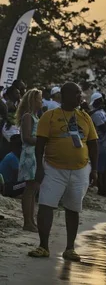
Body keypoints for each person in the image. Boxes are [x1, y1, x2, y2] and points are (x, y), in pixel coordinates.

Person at [28, 83, 98, 261]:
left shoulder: (85, 117)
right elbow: (40, 145)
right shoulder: (49, 116)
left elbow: (93, 144)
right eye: (76, 93)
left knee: (73, 208)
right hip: (53, 168)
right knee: (46, 205)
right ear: (64, 95)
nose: (80, 97)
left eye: (80, 94)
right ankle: (43, 246)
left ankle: (70, 248)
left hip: (80, 170)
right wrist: (39, 168)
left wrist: (94, 169)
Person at [17, 89, 43, 231]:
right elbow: (26, 137)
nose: (41, 101)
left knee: (33, 189)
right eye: (39, 99)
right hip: (29, 154)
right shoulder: (28, 116)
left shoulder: (35, 117)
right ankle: (27, 222)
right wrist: (41, 142)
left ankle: (31, 220)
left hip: (35, 154)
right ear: (33, 101)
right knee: (29, 189)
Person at [89, 92, 106, 198]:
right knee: (101, 169)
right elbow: (104, 127)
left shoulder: (102, 112)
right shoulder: (96, 114)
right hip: (101, 143)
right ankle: (101, 188)